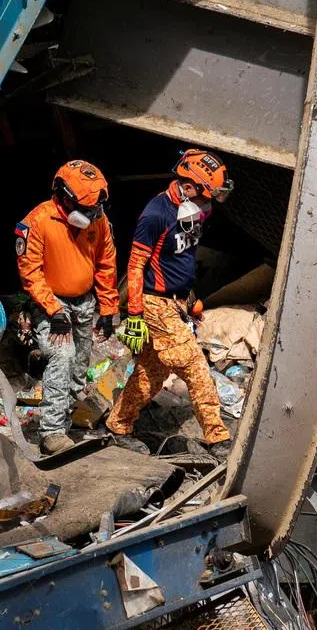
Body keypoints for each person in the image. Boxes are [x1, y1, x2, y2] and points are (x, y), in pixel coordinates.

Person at [104, 149, 235, 458]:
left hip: (175, 302)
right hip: (153, 303)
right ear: (189, 186)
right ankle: (217, 438)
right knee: (194, 365)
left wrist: (187, 297)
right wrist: (134, 314)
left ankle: (118, 426)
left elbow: (181, 258)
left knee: (151, 373)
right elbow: (135, 266)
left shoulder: (195, 211)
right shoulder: (155, 215)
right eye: (207, 194)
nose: (210, 203)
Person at [16, 159, 119, 455]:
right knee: (62, 356)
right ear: (63, 197)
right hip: (51, 302)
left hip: (84, 303)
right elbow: (30, 272)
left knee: (78, 366)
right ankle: (51, 433)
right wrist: (54, 310)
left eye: (94, 208)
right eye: (86, 208)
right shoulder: (37, 222)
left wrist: (109, 307)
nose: (92, 214)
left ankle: (68, 417)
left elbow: (105, 264)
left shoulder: (98, 221)